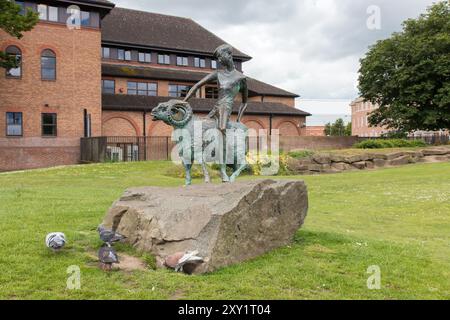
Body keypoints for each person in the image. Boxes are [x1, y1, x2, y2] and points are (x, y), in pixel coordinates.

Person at [183, 44, 248, 131]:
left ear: (229, 55)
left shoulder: (241, 78)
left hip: (226, 107)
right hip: (217, 107)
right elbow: (197, 85)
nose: (219, 60)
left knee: (222, 128)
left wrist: (238, 120)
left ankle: (229, 138)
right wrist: (183, 102)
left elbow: (244, 102)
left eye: (220, 56)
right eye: (218, 58)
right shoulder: (218, 73)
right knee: (201, 127)